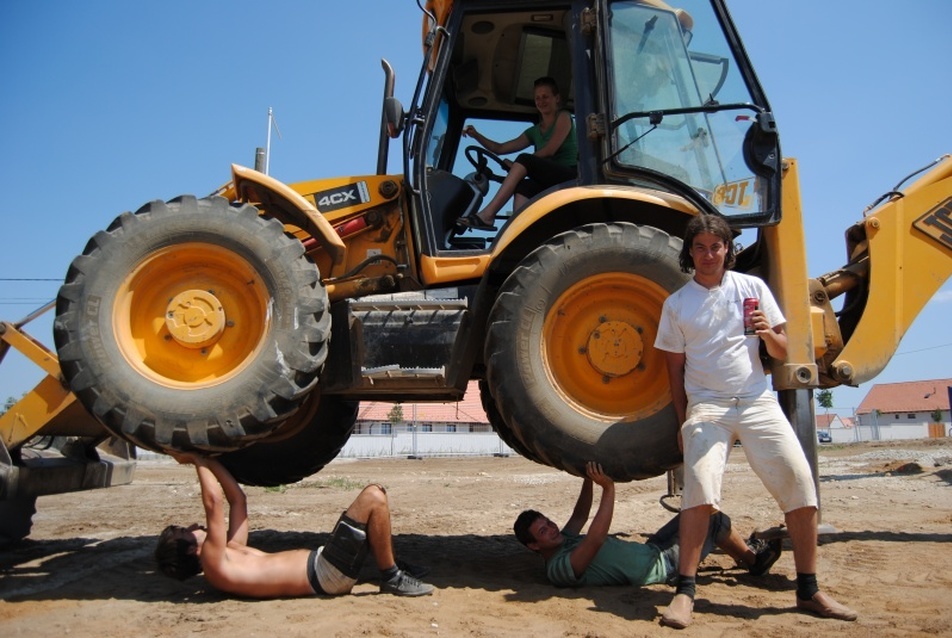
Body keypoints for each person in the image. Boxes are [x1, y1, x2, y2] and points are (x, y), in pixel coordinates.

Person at [653, 214, 857, 628]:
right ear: (690, 253)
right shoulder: (676, 304)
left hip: (756, 401)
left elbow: (783, 352)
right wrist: (683, 421)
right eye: (700, 247)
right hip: (707, 407)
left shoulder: (753, 289)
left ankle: (809, 589)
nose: (709, 254)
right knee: (700, 491)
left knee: (801, 485)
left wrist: (767, 333)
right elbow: (674, 372)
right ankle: (685, 593)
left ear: (728, 249)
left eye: (716, 246)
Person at [155, 452, 433, 598]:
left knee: (369, 506)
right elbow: (214, 503)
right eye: (185, 530)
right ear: (190, 549)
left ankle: (389, 567)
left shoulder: (229, 553)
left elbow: (237, 500)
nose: (192, 524)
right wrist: (195, 459)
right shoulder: (215, 566)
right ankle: (392, 577)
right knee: (373, 496)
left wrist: (210, 459)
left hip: (324, 570)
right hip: (325, 575)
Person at [513, 462, 781, 590]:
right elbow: (594, 539)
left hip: (652, 550)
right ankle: (752, 560)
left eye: (548, 522)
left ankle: (742, 551)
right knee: (713, 518)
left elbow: (581, 514)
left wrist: (588, 475)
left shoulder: (564, 539)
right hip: (664, 568)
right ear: (534, 545)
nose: (551, 528)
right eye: (543, 531)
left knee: (695, 510)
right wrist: (608, 489)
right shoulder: (558, 568)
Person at [456, 76, 577, 231]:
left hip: (570, 175)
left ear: (557, 98)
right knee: (523, 186)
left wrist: (515, 165)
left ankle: (488, 214)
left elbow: (550, 150)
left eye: (545, 97)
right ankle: (520, 230)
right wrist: (476, 135)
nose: (541, 101)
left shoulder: (564, 117)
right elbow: (499, 148)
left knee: (524, 160)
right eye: (537, 98)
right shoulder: (534, 132)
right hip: (549, 178)